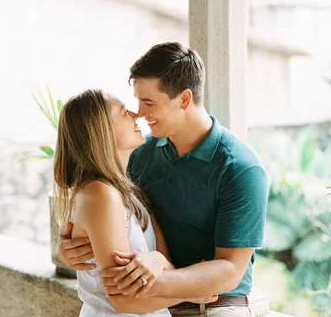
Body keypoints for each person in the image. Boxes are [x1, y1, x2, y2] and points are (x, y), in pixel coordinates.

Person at [58, 43, 270, 317]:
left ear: (184, 99)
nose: (140, 113)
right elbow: (101, 218)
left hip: (214, 305)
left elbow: (229, 271)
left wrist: (153, 274)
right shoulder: (137, 154)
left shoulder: (240, 168)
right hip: (151, 303)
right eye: (137, 102)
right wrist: (72, 250)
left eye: (149, 103)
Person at [52, 89, 217, 316]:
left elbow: (165, 262)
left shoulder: (127, 191)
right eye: (123, 112)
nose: (135, 114)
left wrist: (156, 260)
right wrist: (192, 293)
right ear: (102, 131)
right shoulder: (100, 195)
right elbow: (124, 300)